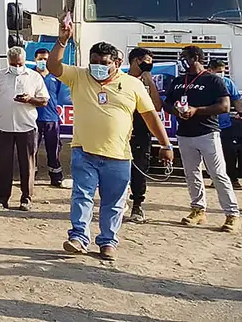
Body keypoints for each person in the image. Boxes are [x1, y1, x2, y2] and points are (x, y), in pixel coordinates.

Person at [46, 20, 173, 261]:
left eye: (104, 63)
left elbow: (151, 116)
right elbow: (53, 66)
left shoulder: (133, 84)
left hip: (118, 155)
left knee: (114, 202)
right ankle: (78, 238)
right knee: (82, 196)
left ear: (116, 63)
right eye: (94, 62)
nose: (98, 67)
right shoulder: (79, 77)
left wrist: (165, 145)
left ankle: (108, 242)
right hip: (84, 151)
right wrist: (62, 40)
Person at [163, 47, 241, 232]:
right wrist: (177, 112)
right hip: (184, 134)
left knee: (218, 174)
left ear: (196, 58)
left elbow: (224, 106)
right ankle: (198, 210)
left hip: (207, 133)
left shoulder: (213, 80)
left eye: (184, 57)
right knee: (191, 174)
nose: (182, 61)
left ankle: (232, 214)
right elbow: (167, 104)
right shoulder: (179, 81)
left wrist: (197, 110)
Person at [0, 46, 50, 211]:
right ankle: (1, 199)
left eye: (19, 64)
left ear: (24, 61)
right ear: (8, 61)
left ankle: (26, 199)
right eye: (14, 64)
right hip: (3, 127)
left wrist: (30, 99)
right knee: (3, 164)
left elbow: (44, 100)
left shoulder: (34, 77)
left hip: (27, 127)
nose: (17, 67)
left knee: (27, 165)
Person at [125, 48, 163, 224]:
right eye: (146, 61)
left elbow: (157, 107)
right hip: (121, 131)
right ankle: (117, 202)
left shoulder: (148, 82)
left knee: (139, 169)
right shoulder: (122, 79)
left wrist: (150, 83)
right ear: (135, 61)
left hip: (141, 132)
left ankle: (137, 205)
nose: (149, 65)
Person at [209, 59, 242, 189]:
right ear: (210, 70)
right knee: (212, 155)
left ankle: (233, 179)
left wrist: (241, 113)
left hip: (225, 125)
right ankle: (215, 179)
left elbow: (236, 99)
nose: (221, 74)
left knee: (229, 153)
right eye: (219, 71)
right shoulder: (205, 83)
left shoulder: (228, 83)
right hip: (208, 125)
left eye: (223, 71)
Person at [32, 48, 65, 187]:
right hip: (33, 118)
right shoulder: (30, 75)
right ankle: (30, 176)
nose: (43, 61)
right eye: (40, 59)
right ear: (35, 60)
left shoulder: (55, 76)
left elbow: (58, 94)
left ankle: (56, 177)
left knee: (53, 150)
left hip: (52, 119)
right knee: (32, 149)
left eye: (45, 59)